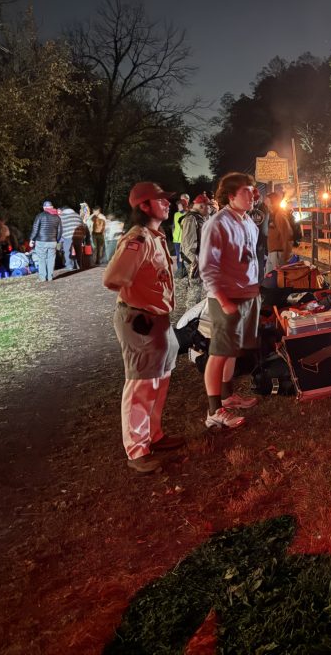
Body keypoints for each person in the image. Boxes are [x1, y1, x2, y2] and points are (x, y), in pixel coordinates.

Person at [103, 182, 185, 474]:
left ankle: (154, 435)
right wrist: (136, 301)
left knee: (159, 378)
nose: (166, 203)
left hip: (157, 320)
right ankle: (137, 451)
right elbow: (113, 278)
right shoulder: (138, 239)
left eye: (166, 198)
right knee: (141, 384)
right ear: (144, 206)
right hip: (141, 321)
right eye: (159, 200)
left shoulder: (156, 236)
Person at [198, 172, 263, 430]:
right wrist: (223, 300)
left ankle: (227, 396)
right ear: (231, 195)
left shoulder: (248, 221)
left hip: (248, 294)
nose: (252, 196)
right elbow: (207, 267)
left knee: (233, 350)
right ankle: (214, 410)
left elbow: (250, 258)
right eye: (246, 191)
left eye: (252, 191)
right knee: (219, 352)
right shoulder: (217, 223)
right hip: (227, 297)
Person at [180, 193, 209, 309]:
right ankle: (189, 320)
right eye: (208, 206)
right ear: (201, 206)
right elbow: (188, 245)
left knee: (198, 289)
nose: (209, 209)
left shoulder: (198, 217)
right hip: (194, 260)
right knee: (194, 290)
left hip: (198, 259)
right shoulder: (191, 218)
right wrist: (195, 261)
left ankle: (193, 318)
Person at [29, 200, 62, 282]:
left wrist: (32, 239)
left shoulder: (40, 216)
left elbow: (35, 229)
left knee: (42, 259)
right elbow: (60, 231)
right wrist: (56, 240)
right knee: (51, 259)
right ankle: (50, 277)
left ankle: (42, 278)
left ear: (44, 207)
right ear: (51, 207)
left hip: (41, 241)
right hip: (52, 242)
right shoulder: (57, 217)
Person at [264, 192, 294, 273]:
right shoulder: (274, 214)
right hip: (272, 253)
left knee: (277, 280)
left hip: (278, 254)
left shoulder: (279, 215)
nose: (266, 204)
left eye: (268, 202)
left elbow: (287, 235)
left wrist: (285, 256)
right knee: (268, 280)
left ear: (273, 202)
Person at [58, 205, 82, 271]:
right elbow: (82, 225)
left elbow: (59, 228)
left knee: (67, 250)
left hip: (68, 235)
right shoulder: (77, 215)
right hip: (79, 235)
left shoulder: (61, 216)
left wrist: (59, 237)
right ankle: (79, 265)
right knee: (78, 250)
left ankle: (69, 265)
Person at [172, 194, 189, 277]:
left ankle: (186, 272)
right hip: (176, 239)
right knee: (178, 256)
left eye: (180, 205)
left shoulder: (188, 215)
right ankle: (180, 272)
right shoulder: (176, 214)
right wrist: (173, 233)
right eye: (178, 206)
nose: (178, 207)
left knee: (185, 257)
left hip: (184, 240)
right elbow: (174, 225)